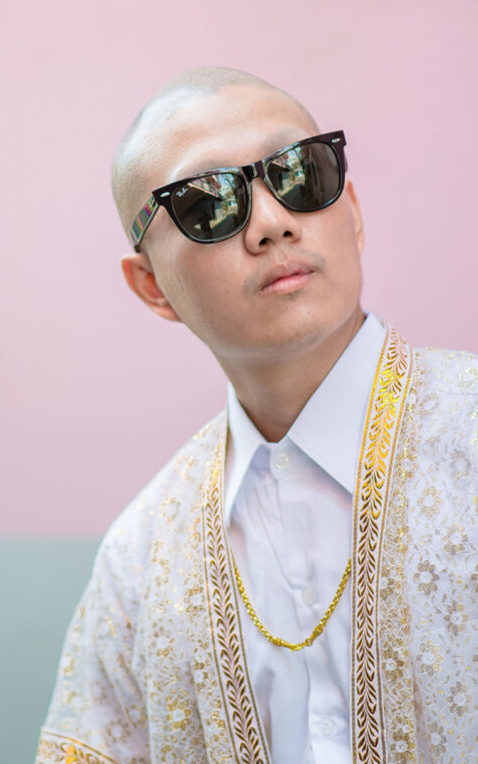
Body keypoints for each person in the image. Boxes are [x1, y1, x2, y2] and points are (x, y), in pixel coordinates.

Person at [37, 68, 478, 763]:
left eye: (300, 172)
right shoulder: (138, 558)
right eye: (208, 204)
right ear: (152, 285)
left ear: (352, 212)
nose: (273, 222)